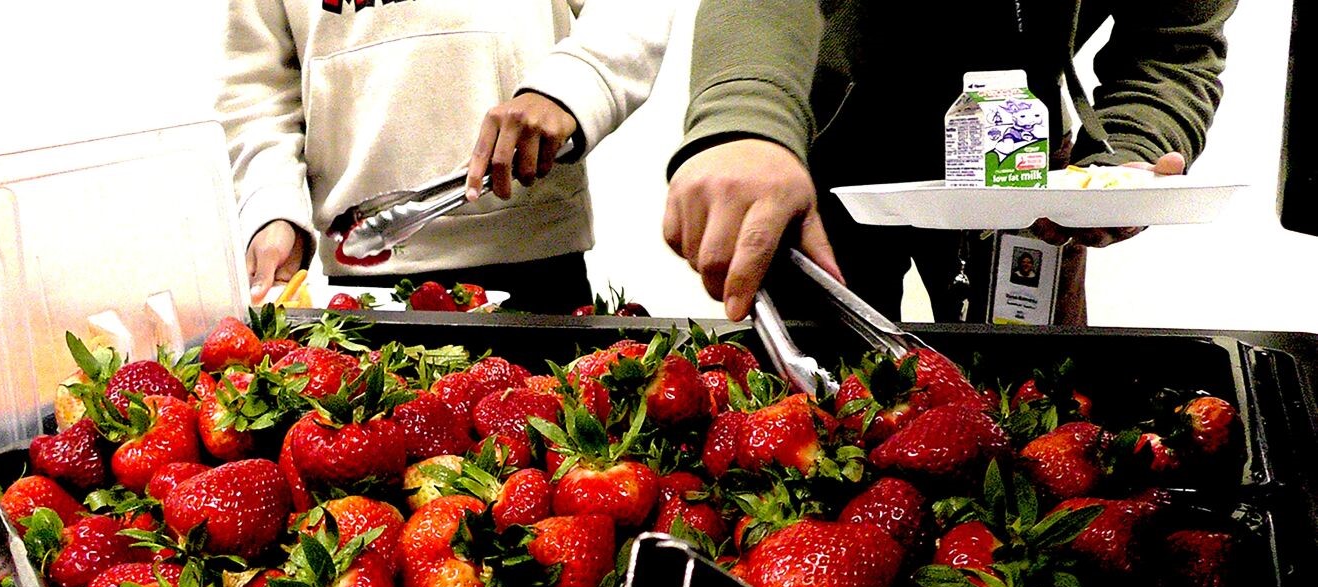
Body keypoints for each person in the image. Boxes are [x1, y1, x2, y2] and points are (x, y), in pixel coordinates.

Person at [662, 1, 1235, 324]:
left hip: (1025, 163)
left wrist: (1127, 156)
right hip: (820, 153)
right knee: (817, 411)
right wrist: (744, 121)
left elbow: (1174, 39)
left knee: (1036, 401)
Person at [218, 0, 674, 313]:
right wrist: (272, 208)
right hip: (361, 274)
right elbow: (257, 87)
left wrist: (570, 88)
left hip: (533, 263)